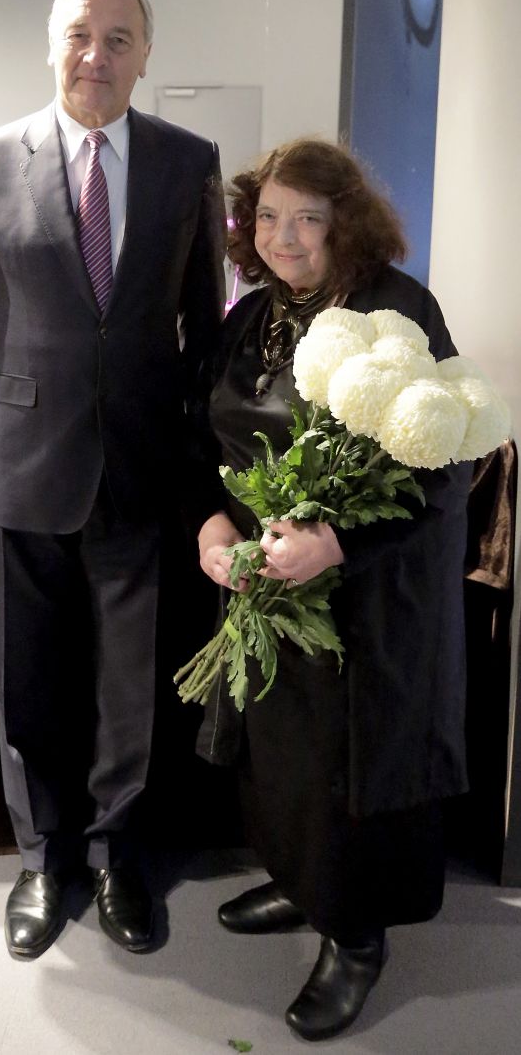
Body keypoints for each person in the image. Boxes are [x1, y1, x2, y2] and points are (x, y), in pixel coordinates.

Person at [0, 0, 225, 959]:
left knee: (131, 684)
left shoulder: (188, 162)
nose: (96, 56)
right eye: (80, 36)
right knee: (31, 678)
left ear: (145, 56)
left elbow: (204, 328)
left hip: (143, 465)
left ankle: (115, 853)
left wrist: (204, 468)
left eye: (118, 39)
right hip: (19, 464)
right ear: (51, 45)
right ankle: (42, 857)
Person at [195, 138, 470, 1041]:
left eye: (307, 218)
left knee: (347, 761)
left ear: (345, 222)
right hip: (269, 581)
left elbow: (441, 469)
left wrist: (338, 543)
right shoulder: (251, 314)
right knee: (281, 752)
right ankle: (300, 883)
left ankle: (355, 935)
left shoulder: (399, 309)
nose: (283, 237)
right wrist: (215, 526)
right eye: (268, 216)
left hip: (367, 594)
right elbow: (217, 443)